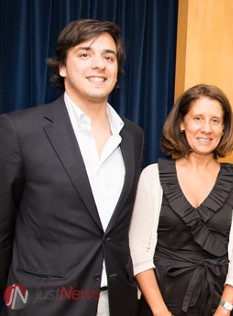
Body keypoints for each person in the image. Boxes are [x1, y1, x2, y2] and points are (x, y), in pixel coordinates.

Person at [0, 19, 143, 315]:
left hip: (115, 303)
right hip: (42, 305)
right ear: (62, 67)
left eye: (108, 56)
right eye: (85, 54)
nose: (99, 64)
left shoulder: (131, 136)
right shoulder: (20, 130)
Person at [129, 84, 233, 316]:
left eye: (215, 120)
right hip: (158, 305)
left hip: (217, 306)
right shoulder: (152, 176)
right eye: (198, 118)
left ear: (224, 127)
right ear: (181, 123)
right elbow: (138, 249)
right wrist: (160, 311)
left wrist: (224, 310)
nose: (206, 129)